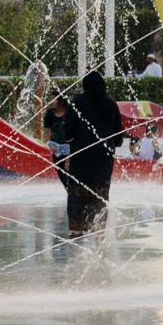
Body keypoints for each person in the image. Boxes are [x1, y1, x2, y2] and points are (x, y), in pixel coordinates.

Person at [63, 71, 123, 238]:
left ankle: (75, 230)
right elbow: (118, 137)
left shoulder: (77, 102)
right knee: (101, 194)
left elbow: (68, 132)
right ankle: (99, 231)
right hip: (103, 159)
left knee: (76, 194)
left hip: (80, 157)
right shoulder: (111, 104)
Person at [43, 94, 73, 192]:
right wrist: (49, 144)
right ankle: (68, 190)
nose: (51, 101)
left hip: (70, 146)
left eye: (53, 99)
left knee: (70, 168)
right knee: (59, 169)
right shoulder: (49, 114)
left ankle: (74, 189)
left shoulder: (69, 112)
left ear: (60, 100)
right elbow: (46, 131)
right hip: (56, 147)